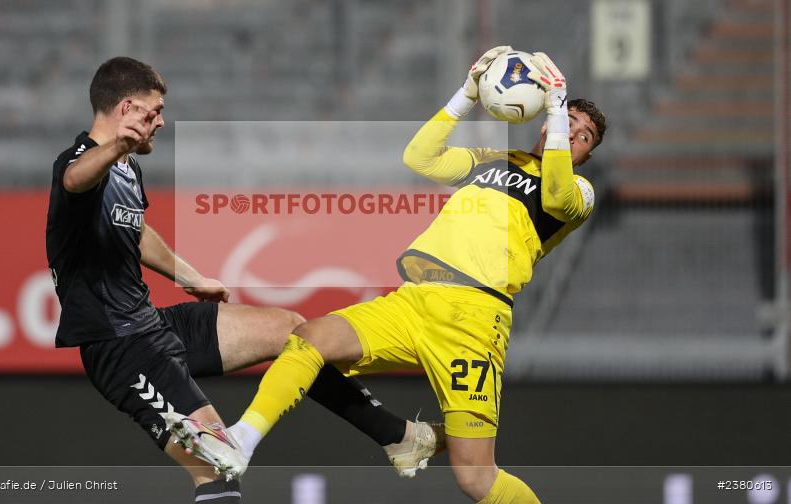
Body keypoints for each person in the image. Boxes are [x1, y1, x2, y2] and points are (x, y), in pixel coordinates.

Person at [194, 46, 606, 503]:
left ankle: (422, 441)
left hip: (473, 320)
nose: (573, 135)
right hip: (414, 300)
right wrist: (466, 94)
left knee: (476, 478)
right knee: (309, 338)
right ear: (546, 125)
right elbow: (421, 158)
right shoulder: (495, 159)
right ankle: (241, 442)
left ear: (585, 154)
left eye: (583, 136)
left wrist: (556, 104)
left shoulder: (579, 193)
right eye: (569, 123)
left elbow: (555, 193)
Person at [45, 57, 443, 504]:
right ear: (126, 108)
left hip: (153, 326)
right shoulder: (81, 162)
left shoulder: (125, 169)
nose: (161, 121)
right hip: (117, 346)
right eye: (154, 111)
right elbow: (75, 181)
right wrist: (116, 147)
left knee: (294, 331)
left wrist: (190, 276)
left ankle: (398, 437)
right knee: (218, 466)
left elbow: (132, 232)